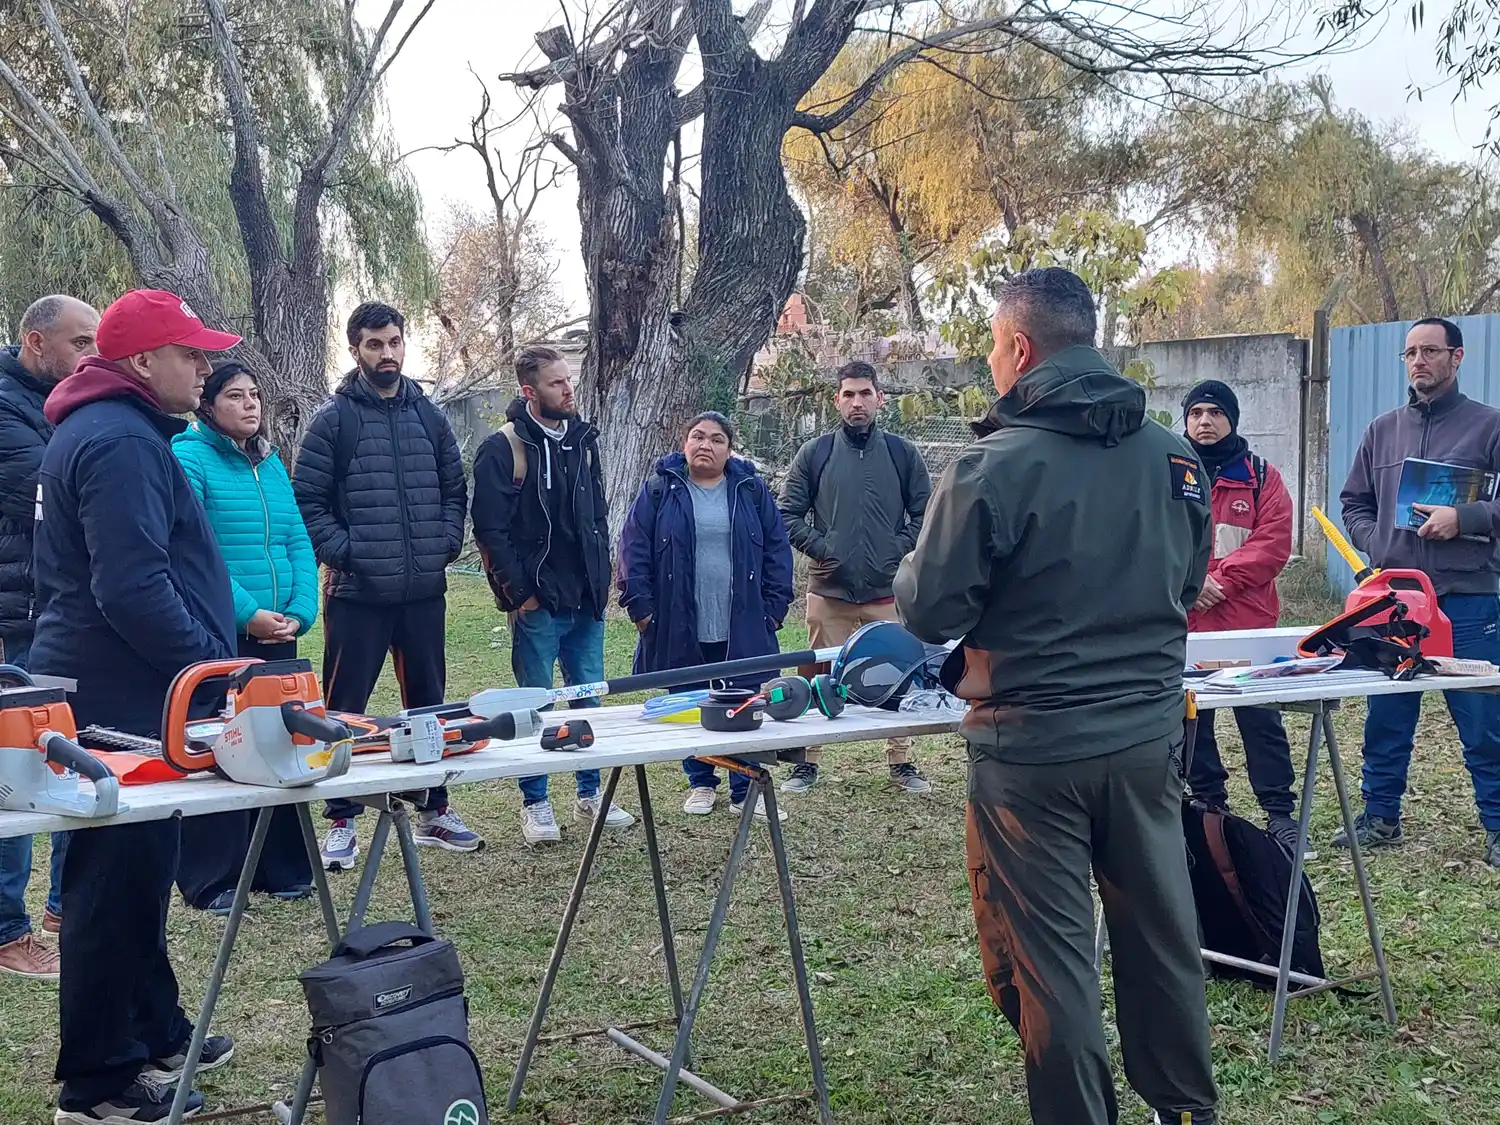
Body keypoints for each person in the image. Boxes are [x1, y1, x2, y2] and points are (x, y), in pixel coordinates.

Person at [894, 267, 1218, 1125]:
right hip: (1147, 740)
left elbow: (927, 606)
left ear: (1022, 347)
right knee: (1160, 938)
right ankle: (1185, 1108)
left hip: (1030, 751)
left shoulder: (990, 466)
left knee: (1049, 965)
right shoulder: (1178, 457)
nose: (993, 365)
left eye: (996, 348)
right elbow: (1186, 582)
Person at [32, 289, 239, 1122]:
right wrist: (210, 669)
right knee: (111, 881)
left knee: (142, 869)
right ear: (143, 362)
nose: (206, 365)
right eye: (191, 353)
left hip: (126, 686)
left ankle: (152, 1026)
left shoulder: (119, 429)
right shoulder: (119, 439)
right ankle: (99, 1081)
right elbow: (132, 584)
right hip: (120, 693)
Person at [293, 301, 482, 869]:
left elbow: (455, 488)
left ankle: (433, 808)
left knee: (430, 705)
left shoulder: (430, 415)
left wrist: (444, 543)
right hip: (358, 595)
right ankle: (342, 818)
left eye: (394, 342)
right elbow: (309, 501)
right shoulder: (334, 421)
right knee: (345, 707)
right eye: (374, 344)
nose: (387, 354)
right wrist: (349, 555)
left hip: (423, 590)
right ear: (356, 350)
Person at [1338, 316, 1500, 867]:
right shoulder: (1381, 431)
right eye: (1410, 353)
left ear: (1457, 358)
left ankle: (1498, 826)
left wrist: (1467, 516)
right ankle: (1380, 817)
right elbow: (1354, 502)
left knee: (1484, 722)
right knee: (1387, 716)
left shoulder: (1489, 427)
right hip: (1398, 600)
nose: (1418, 362)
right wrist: (1377, 540)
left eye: (1430, 351)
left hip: (1467, 597)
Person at [471, 346, 634, 844]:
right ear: (529, 391)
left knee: (588, 700)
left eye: (569, 381)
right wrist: (521, 596)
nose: (568, 390)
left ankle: (592, 794)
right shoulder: (503, 449)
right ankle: (536, 802)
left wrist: (602, 582)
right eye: (557, 384)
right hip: (537, 604)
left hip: (586, 600)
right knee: (533, 705)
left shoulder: (585, 441)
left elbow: (598, 516)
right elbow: (490, 531)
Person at [172, 361, 319, 913]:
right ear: (207, 405)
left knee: (281, 742)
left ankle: (282, 867)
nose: (251, 405)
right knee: (222, 745)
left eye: (255, 395)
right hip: (224, 631)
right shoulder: (189, 459)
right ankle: (212, 878)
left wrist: (300, 611)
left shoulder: (271, 463)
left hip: (281, 630)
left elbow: (297, 538)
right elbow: (193, 551)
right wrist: (248, 614)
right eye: (235, 396)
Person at [618, 412, 795, 821]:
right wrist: (641, 610)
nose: (706, 445)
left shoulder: (750, 490)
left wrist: (773, 610)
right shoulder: (662, 488)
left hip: (743, 618)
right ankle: (700, 781)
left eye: (717, 439)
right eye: (697, 436)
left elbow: (777, 550)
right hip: (679, 618)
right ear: (684, 444)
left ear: (729, 450)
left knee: (744, 698)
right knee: (689, 698)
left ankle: (744, 785)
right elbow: (634, 548)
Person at [777, 361, 934, 796]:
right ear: (837, 400)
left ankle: (902, 760)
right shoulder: (816, 453)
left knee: (900, 671)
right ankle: (805, 761)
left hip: (889, 590)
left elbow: (926, 514)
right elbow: (788, 514)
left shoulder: (903, 454)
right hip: (829, 589)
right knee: (818, 671)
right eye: (849, 394)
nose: (857, 402)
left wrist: (897, 549)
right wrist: (825, 549)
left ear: (880, 398)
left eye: (865, 393)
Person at [0, 294, 96, 981]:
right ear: (37, 344)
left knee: (74, 758)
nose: (93, 355)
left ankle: (68, 908)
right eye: (81, 342)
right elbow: (52, 487)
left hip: (61, 613)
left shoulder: (70, 406)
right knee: (15, 774)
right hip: (14, 620)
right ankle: (8, 930)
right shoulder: (8, 408)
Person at [1180, 379, 1303, 855]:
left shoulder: (1260, 476)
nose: (1205, 421)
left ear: (1232, 419)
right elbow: (1149, 539)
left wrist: (1219, 581)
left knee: (1261, 720)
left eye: (1215, 412)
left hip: (1247, 625)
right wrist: (1191, 583)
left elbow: (1273, 544)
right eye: (1196, 413)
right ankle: (1210, 807)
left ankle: (1280, 813)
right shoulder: (1168, 473)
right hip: (1188, 622)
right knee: (1194, 721)